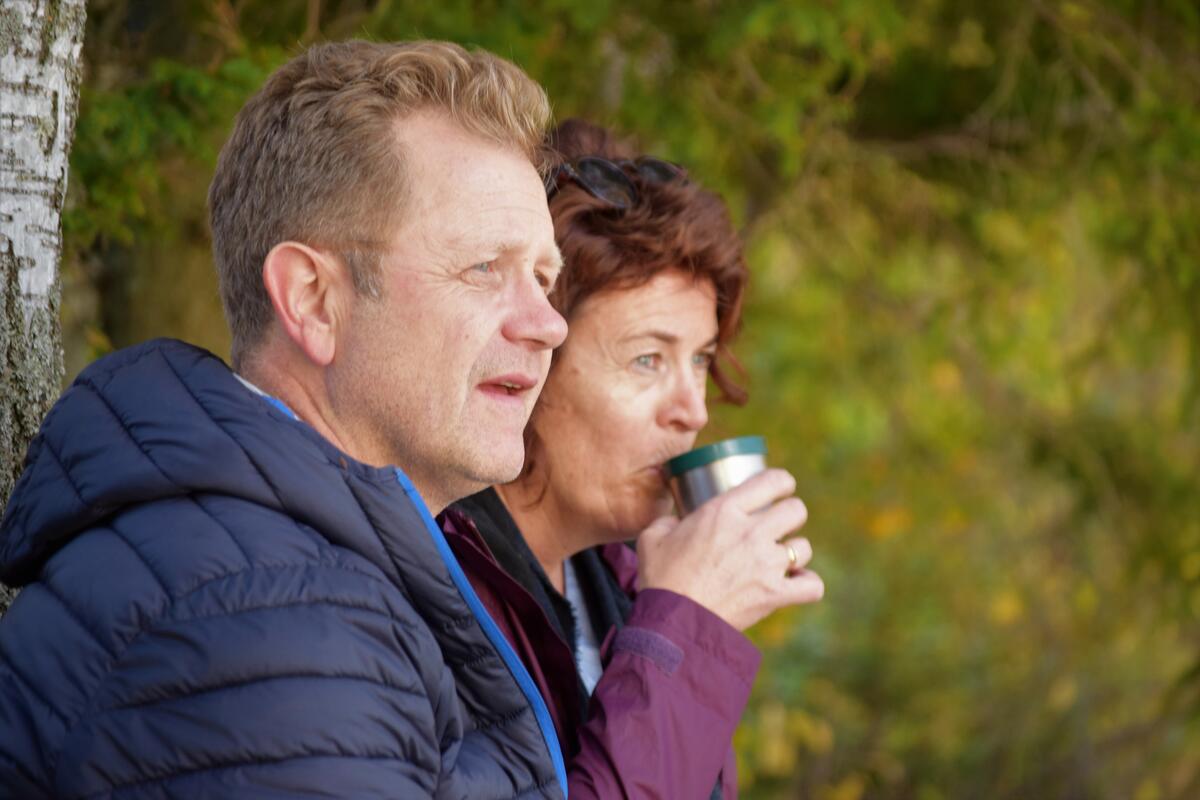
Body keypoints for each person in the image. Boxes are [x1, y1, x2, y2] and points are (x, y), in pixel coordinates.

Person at [0, 40, 574, 798]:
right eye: (484, 269)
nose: (549, 325)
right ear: (312, 300)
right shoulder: (267, 621)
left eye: (544, 278)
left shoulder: (286, 574)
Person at [444, 119, 825, 799]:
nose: (694, 410)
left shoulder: (627, 584)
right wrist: (686, 628)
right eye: (647, 359)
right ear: (530, 364)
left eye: (700, 360)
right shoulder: (436, 597)